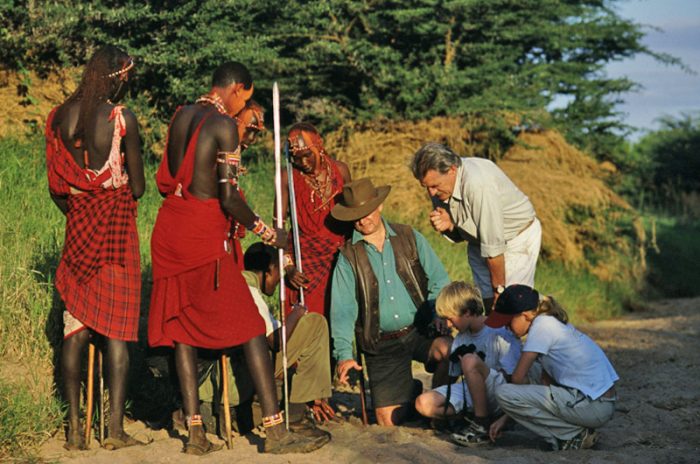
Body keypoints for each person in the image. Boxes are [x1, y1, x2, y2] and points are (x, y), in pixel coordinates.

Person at [148, 62, 323, 455]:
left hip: (170, 232)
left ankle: (195, 435)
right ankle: (276, 433)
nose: (244, 106)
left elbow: (171, 180)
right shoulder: (223, 124)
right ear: (239, 89)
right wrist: (269, 233)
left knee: (183, 329)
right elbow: (227, 197)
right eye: (246, 97)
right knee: (249, 326)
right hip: (202, 237)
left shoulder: (181, 115)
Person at [45, 45, 145, 450]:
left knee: (75, 328)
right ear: (119, 76)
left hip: (79, 230)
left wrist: (79, 209)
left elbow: (56, 186)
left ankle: (73, 432)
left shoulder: (61, 118)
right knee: (118, 330)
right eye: (128, 76)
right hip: (116, 234)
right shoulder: (122, 119)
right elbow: (136, 187)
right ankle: (115, 430)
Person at [330, 178, 452, 426]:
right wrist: (343, 354)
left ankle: (438, 402)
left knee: (449, 349)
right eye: (356, 216)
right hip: (381, 342)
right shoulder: (347, 256)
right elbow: (342, 309)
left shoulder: (409, 236)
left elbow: (440, 280)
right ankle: (410, 393)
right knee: (388, 421)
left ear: (379, 207)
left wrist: (438, 313)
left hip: (420, 330)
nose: (363, 220)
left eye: (366, 213)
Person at [411, 142, 542, 311]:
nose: (431, 193)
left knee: (510, 306)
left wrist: (499, 291)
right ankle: (494, 332)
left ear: (452, 170)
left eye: (434, 186)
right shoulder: (440, 186)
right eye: (426, 187)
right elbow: (463, 234)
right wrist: (450, 226)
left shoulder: (478, 184)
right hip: (478, 243)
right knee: (487, 304)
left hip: (515, 239)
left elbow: (493, 247)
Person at [486, 285, 619, 451]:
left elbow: (517, 378)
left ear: (525, 315)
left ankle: (572, 435)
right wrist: (508, 416)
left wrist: (510, 410)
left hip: (594, 406)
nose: (506, 328)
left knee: (504, 392)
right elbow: (545, 382)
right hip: (598, 402)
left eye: (508, 322)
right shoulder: (549, 322)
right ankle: (572, 431)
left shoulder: (542, 327)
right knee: (532, 370)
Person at [242, 242, 335, 439]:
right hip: (251, 366)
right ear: (271, 270)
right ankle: (297, 418)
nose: (278, 281)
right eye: (279, 273)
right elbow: (275, 341)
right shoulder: (249, 291)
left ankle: (305, 400)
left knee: (297, 356)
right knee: (315, 324)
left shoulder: (244, 287)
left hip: (247, 365)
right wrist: (296, 313)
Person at [414, 281, 521, 447]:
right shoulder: (461, 337)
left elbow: (516, 379)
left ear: (468, 312)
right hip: (475, 394)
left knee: (470, 360)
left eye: (450, 319)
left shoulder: (500, 332)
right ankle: (469, 418)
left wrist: (507, 416)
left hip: (501, 392)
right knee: (423, 404)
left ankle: (481, 424)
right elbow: (453, 377)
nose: (449, 325)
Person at [279, 122, 351, 317]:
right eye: (296, 158)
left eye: (307, 155)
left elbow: (353, 213)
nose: (303, 163)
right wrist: (288, 266)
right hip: (304, 264)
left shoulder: (340, 171)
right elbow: (278, 228)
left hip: (339, 259)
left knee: (337, 320)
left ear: (319, 147)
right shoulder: (288, 177)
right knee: (305, 324)